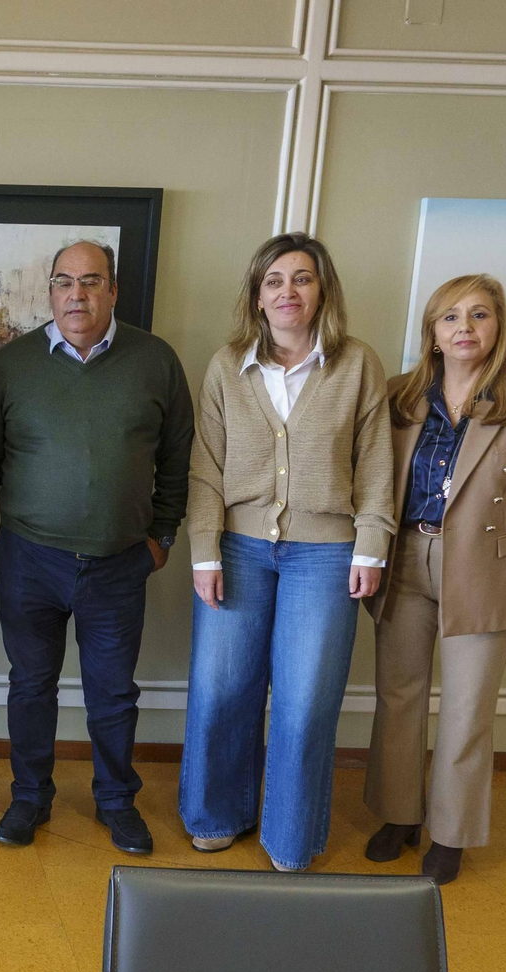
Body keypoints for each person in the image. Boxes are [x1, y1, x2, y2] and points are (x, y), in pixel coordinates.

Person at [0, 239, 193, 854]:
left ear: (114, 290)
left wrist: (162, 535)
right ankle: (28, 797)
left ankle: (116, 801)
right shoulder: (14, 364)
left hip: (119, 563)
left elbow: (178, 456)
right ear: (50, 292)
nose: (76, 294)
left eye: (91, 282)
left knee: (113, 694)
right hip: (29, 560)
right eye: (64, 282)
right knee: (31, 685)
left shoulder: (156, 360)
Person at [178, 232, 395, 872]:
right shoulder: (227, 365)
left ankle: (290, 837)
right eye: (274, 280)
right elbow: (206, 468)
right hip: (238, 549)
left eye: (301, 278)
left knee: (304, 703)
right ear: (257, 293)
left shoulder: (358, 365)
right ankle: (219, 815)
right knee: (221, 691)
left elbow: (376, 462)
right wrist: (204, 552)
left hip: (327, 556)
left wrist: (372, 547)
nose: (287, 291)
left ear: (322, 289)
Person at [363, 274, 506, 885]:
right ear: (432, 332)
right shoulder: (399, 397)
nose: (464, 328)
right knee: (398, 696)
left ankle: (450, 835)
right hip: (405, 559)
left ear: (498, 326)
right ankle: (399, 816)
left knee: (466, 709)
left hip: (484, 571)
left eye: (478, 316)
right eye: (450, 317)